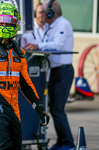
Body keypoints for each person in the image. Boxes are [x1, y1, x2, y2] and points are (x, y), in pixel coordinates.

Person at [0, 3, 50, 150]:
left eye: (9, 21)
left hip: (14, 110)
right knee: (2, 147)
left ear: (16, 23)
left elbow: (26, 84)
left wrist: (39, 108)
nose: (4, 24)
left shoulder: (20, 53)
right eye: (0, 21)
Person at [24, 0, 76, 150]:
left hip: (63, 71)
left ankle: (68, 143)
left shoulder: (62, 24)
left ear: (50, 13)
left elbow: (57, 45)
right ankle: (62, 142)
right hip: (55, 71)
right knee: (54, 108)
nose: (42, 15)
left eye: (44, 12)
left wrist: (38, 46)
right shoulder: (51, 26)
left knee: (57, 109)